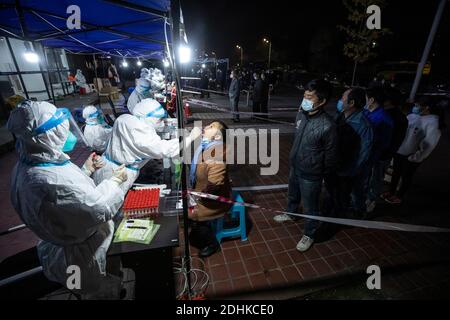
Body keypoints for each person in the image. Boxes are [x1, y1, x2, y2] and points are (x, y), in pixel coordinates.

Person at [7, 100, 128, 298]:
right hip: (78, 257)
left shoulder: (33, 165)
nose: (68, 136)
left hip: (69, 249)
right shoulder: (45, 180)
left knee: (87, 287)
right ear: (47, 136)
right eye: (60, 132)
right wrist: (115, 181)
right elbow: (96, 207)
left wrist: (86, 170)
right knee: (92, 292)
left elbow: (66, 198)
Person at [274, 79, 337, 252]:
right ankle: (291, 213)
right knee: (292, 193)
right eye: (304, 96)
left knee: (311, 206)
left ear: (322, 101)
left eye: (309, 97)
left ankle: (310, 233)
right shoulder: (301, 114)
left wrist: (320, 172)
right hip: (295, 165)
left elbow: (331, 156)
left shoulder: (328, 125)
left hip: (312, 173)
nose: (305, 100)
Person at [93, 98, 201, 193]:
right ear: (148, 118)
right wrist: (190, 137)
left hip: (107, 167)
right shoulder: (139, 132)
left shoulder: (125, 119)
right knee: (110, 206)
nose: (162, 123)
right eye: (159, 120)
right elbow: (162, 149)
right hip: (118, 176)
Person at [383, 96, 443, 204]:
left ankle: (399, 196)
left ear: (426, 107)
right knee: (396, 173)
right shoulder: (412, 116)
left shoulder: (433, 123)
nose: (415, 108)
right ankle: (391, 191)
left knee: (406, 176)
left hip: (411, 156)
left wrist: (416, 157)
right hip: (400, 151)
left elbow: (429, 144)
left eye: (417, 106)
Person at [188, 121, 231, 257]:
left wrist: (196, 197)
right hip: (201, 191)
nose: (206, 127)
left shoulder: (216, 156)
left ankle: (212, 244)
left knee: (194, 218)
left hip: (214, 199)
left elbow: (214, 188)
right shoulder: (205, 146)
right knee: (189, 213)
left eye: (211, 127)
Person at [330, 88, 373, 219]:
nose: (340, 101)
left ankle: (356, 213)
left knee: (351, 193)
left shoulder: (363, 125)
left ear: (351, 103)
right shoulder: (340, 116)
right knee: (337, 194)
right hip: (337, 166)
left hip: (349, 170)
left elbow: (364, 153)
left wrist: (351, 171)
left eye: (342, 98)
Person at [363, 87, 393, 214]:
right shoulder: (367, 112)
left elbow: (383, 142)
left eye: (365, 98)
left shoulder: (384, 118)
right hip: (366, 155)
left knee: (374, 181)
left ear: (371, 100)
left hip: (375, 157)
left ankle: (370, 203)